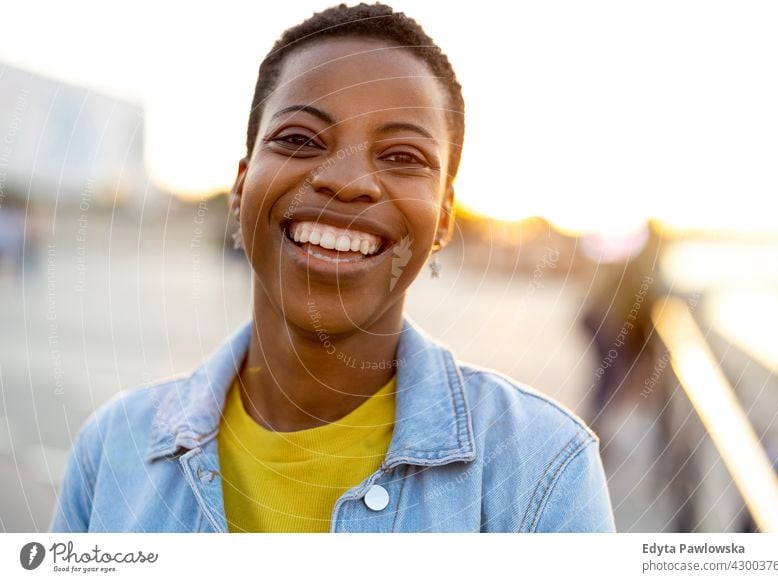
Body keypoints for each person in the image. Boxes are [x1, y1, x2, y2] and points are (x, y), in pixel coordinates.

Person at [50, 2, 615, 533]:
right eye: (298, 139)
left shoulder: (544, 469)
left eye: (402, 157)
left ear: (443, 217)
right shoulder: (110, 450)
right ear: (242, 186)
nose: (345, 181)